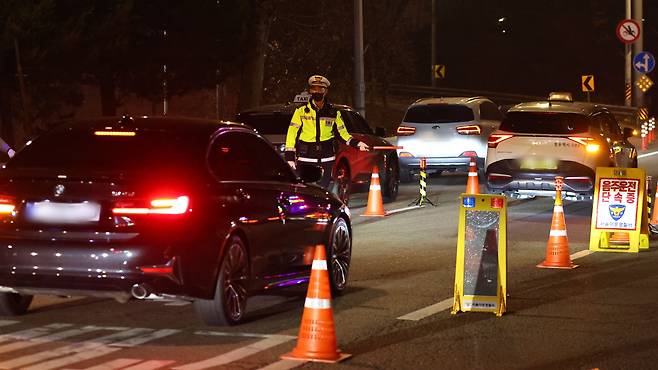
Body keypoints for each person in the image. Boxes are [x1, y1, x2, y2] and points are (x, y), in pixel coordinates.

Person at [284, 75, 369, 190]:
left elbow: (343, 134)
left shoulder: (333, 112)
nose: (317, 92)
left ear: (326, 91)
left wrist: (357, 144)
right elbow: (292, 134)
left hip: (326, 159)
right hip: (306, 158)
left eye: (320, 89)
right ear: (310, 90)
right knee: (306, 190)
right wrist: (289, 157)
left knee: (324, 190)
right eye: (314, 89)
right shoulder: (301, 111)